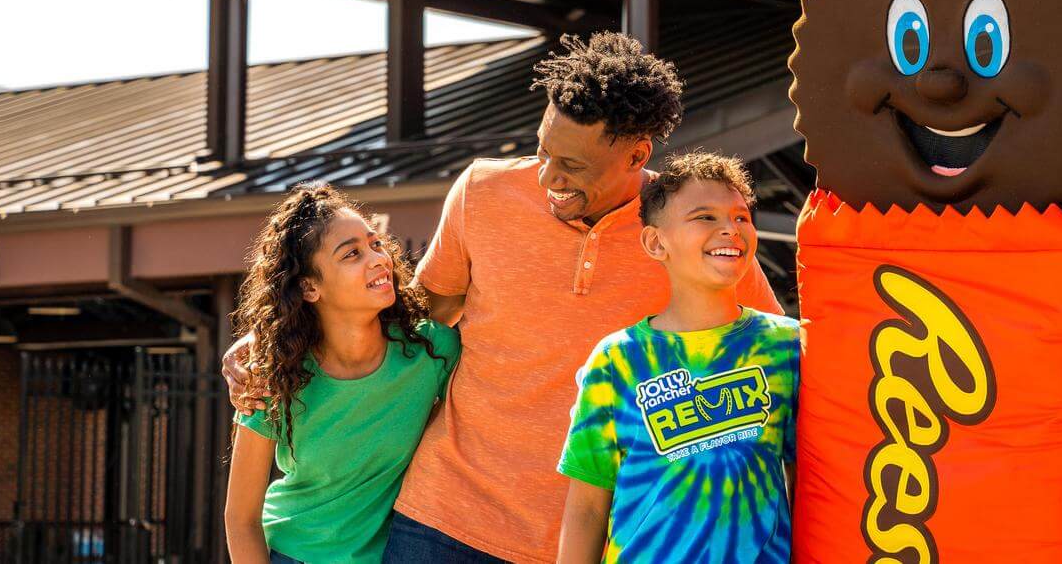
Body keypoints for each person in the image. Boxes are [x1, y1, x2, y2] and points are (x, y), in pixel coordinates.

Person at [223, 32, 783, 562]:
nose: (546, 177)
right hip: (443, 519)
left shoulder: (684, 230)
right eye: (542, 151)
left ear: (636, 156)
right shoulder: (481, 193)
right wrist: (276, 331)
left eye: (571, 165)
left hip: (587, 535)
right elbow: (410, 314)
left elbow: (773, 347)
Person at [557, 152, 800, 564]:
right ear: (656, 242)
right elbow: (586, 508)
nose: (730, 230)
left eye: (741, 218)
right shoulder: (616, 361)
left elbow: (808, 485)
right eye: (705, 217)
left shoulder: (789, 347)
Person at [223, 183, 459, 564]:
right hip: (294, 553)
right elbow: (241, 519)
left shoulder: (431, 351)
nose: (377, 259)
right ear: (310, 287)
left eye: (375, 244)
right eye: (352, 254)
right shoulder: (272, 378)